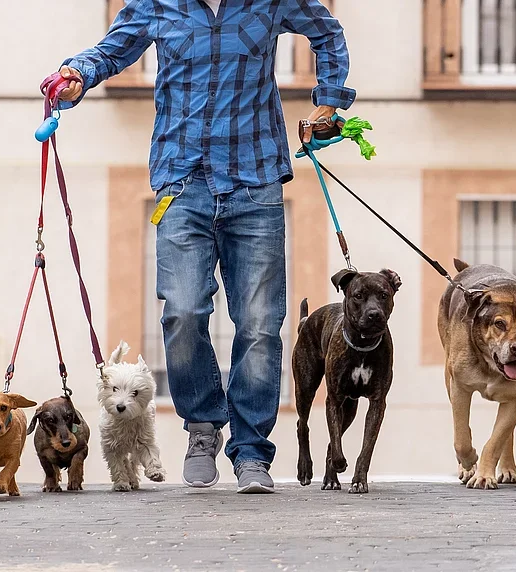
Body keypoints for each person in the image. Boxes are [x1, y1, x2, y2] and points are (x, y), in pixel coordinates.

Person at [56, 0, 355, 493]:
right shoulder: (158, 4)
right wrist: (76, 75)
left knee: (259, 323)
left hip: (254, 181)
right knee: (183, 312)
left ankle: (251, 451)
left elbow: (326, 30)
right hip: (181, 182)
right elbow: (113, 51)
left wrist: (329, 101)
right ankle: (202, 427)